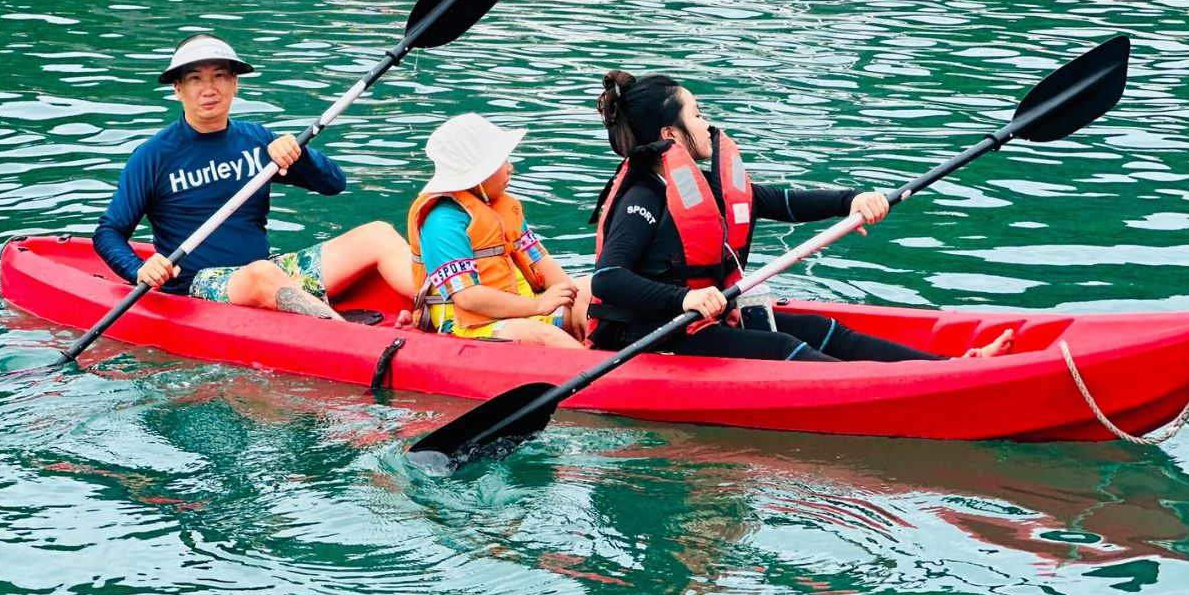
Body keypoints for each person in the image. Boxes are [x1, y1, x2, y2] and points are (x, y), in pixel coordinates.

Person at [588, 69, 1013, 361]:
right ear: (669, 135)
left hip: (701, 323)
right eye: (697, 115)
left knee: (824, 330)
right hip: (651, 339)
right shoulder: (641, 197)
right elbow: (609, 278)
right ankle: (925, 388)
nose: (706, 124)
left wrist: (853, 200)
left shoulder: (694, 188)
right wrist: (685, 298)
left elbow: (784, 202)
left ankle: (950, 365)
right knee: (783, 347)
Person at [93, 32, 415, 319]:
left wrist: (301, 157)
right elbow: (109, 232)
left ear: (235, 83)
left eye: (219, 75)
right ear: (178, 88)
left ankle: (447, 309)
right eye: (195, 79)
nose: (209, 88)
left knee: (378, 234)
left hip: (270, 273)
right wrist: (139, 269)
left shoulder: (256, 140)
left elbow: (334, 184)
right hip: (199, 285)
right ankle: (349, 338)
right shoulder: (153, 156)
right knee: (261, 273)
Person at [407, 113, 590, 348]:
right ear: (477, 174)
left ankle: (605, 352)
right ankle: (604, 378)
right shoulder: (442, 221)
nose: (510, 168)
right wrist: (537, 306)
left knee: (591, 292)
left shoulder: (502, 207)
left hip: (521, 307)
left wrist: (575, 299)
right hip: (467, 325)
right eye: (502, 162)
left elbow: (539, 259)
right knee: (545, 337)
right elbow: (467, 297)